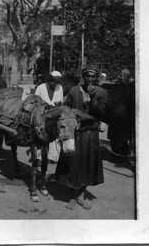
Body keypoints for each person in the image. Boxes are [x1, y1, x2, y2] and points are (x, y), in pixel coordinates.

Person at [56, 64, 106, 210]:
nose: (90, 79)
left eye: (93, 76)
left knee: (88, 165)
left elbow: (101, 114)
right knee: (72, 163)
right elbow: (67, 109)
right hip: (76, 133)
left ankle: (81, 196)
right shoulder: (73, 91)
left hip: (91, 133)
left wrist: (94, 98)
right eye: (87, 75)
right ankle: (71, 197)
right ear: (83, 76)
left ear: (97, 78)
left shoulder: (102, 92)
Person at [34, 71, 64, 162]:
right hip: (42, 115)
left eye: (57, 83)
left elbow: (60, 103)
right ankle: (38, 157)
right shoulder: (40, 87)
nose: (55, 84)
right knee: (40, 134)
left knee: (56, 133)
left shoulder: (60, 88)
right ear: (49, 80)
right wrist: (45, 106)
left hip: (54, 115)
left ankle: (52, 156)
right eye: (53, 82)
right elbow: (35, 101)